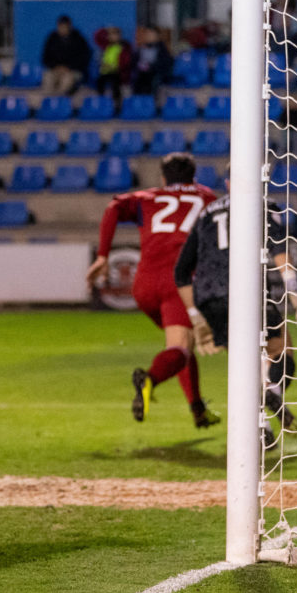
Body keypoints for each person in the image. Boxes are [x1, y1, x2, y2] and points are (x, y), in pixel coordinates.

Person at [86, 152, 219, 428]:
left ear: (163, 178)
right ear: (193, 177)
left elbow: (113, 207)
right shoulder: (206, 197)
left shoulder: (147, 197)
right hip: (179, 282)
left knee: (182, 344)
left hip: (144, 283)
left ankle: (197, 409)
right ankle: (149, 379)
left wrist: (102, 255)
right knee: (180, 346)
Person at [174, 179, 297, 443]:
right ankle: (273, 392)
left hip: (210, 298)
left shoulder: (205, 214)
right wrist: (292, 287)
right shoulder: (260, 206)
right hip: (247, 291)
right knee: (280, 349)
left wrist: (197, 318)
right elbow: (278, 249)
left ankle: (262, 426)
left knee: (245, 363)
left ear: (227, 182)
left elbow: (180, 272)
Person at [40, 15, 92, 96]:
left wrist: (68, 67)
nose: (63, 29)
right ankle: (49, 102)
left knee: (66, 81)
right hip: (55, 69)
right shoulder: (52, 38)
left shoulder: (78, 39)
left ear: (70, 26)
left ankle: (60, 102)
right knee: (47, 77)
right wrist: (56, 67)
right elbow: (45, 57)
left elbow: (84, 58)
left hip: (73, 70)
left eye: (65, 27)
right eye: (60, 26)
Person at [94, 25, 133, 108]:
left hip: (118, 71)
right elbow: (97, 37)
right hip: (105, 72)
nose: (113, 37)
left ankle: (117, 104)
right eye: (110, 35)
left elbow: (126, 61)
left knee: (115, 84)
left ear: (119, 36)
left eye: (115, 34)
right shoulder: (106, 46)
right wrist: (105, 29)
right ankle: (102, 103)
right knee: (100, 82)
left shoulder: (124, 46)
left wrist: (116, 67)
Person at [130, 26, 174, 97]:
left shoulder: (162, 50)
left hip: (156, 74)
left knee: (152, 81)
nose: (148, 36)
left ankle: (151, 103)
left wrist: (151, 66)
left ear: (157, 36)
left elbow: (165, 64)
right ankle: (138, 103)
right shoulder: (140, 49)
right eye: (147, 34)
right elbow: (134, 62)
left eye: (151, 34)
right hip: (142, 74)